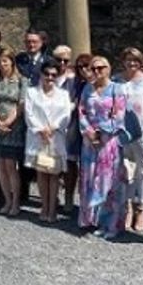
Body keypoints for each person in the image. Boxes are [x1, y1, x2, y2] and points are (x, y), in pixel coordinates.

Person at [77, 56, 127, 239]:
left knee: (109, 183)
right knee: (90, 180)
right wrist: (89, 131)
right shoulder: (86, 89)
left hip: (108, 143)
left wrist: (101, 132)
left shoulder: (117, 89)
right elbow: (81, 111)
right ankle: (91, 220)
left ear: (109, 68)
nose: (97, 71)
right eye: (94, 68)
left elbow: (119, 116)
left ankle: (111, 224)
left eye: (101, 68)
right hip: (89, 143)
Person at [24, 59, 73, 222]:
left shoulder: (64, 94)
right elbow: (29, 113)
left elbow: (66, 114)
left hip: (56, 137)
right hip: (38, 137)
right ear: (41, 74)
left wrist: (53, 128)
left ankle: (52, 209)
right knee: (41, 172)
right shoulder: (31, 92)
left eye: (54, 74)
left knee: (54, 174)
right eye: (47, 74)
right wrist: (40, 129)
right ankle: (44, 206)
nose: (50, 77)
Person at [0, 49, 25, 216]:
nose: (2, 65)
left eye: (5, 61)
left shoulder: (22, 81)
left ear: (12, 62)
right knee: (0, 166)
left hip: (13, 127)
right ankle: (7, 200)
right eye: (0, 62)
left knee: (11, 166)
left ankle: (16, 202)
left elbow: (21, 104)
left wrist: (7, 122)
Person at [119, 47, 143, 232]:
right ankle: (127, 208)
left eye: (135, 60)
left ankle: (141, 209)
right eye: (128, 59)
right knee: (125, 170)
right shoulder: (116, 80)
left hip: (142, 132)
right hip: (122, 132)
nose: (132, 63)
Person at [61, 53, 91, 212]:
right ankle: (68, 197)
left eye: (87, 66)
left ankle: (87, 201)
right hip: (73, 126)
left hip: (91, 128)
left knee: (88, 166)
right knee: (70, 164)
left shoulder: (96, 83)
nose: (84, 69)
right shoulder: (71, 82)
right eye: (80, 67)